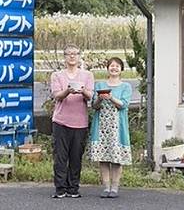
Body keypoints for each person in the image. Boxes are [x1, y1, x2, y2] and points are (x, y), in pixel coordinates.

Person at [50, 44, 94, 199]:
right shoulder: (57, 75)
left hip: (80, 122)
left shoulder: (87, 75)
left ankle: (73, 188)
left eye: (75, 53)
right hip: (61, 121)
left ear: (79, 56)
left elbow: (90, 96)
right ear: (64, 57)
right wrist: (68, 91)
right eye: (69, 54)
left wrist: (83, 91)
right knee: (60, 157)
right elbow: (57, 96)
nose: (72, 56)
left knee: (76, 157)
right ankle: (60, 188)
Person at [89, 57, 133, 198]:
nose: (114, 68)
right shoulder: (100, 84)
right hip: (101, 126)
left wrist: (111, 97)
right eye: (111, 66)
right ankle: (106, 187)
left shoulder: (126, 86)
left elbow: (124, 105)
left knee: (116, 158)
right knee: (103, 158)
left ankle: (115, 187)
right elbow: (94, 106)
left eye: (117, 66)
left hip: (117, 128)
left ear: (121, 69)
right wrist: (100, 98)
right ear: (107, 68)